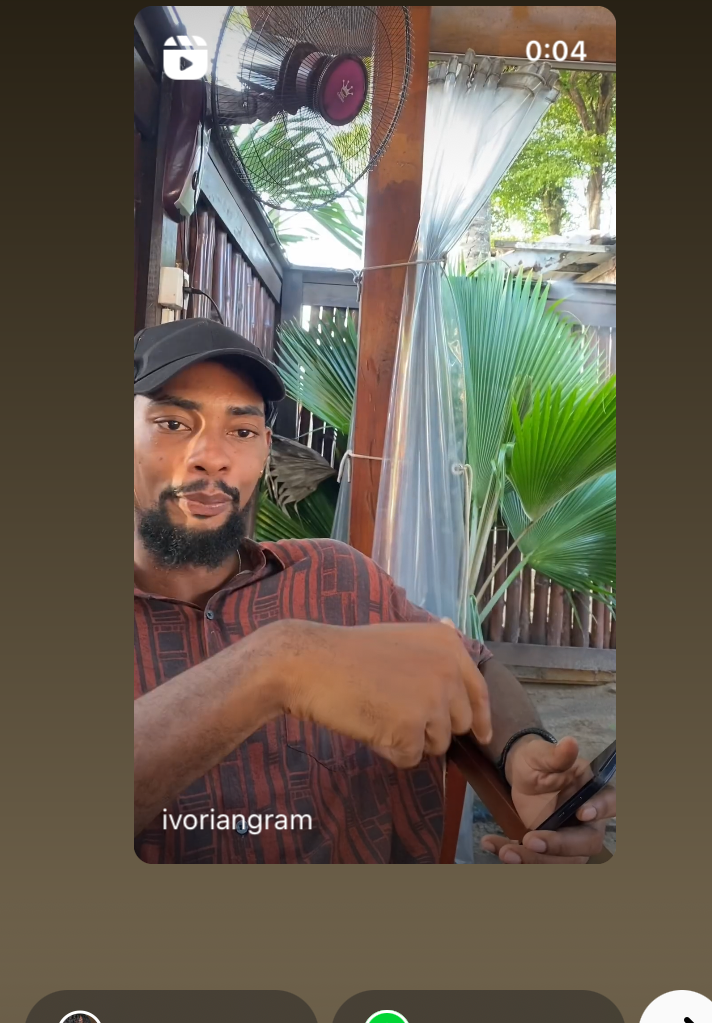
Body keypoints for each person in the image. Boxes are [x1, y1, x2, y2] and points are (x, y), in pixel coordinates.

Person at [134, 319, 615, 865]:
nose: (211, 456)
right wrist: (273, 665)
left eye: (241, 432)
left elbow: (471, 667)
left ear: (265, 449)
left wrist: (523, 751)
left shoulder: (338, 578)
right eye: (172, 423)